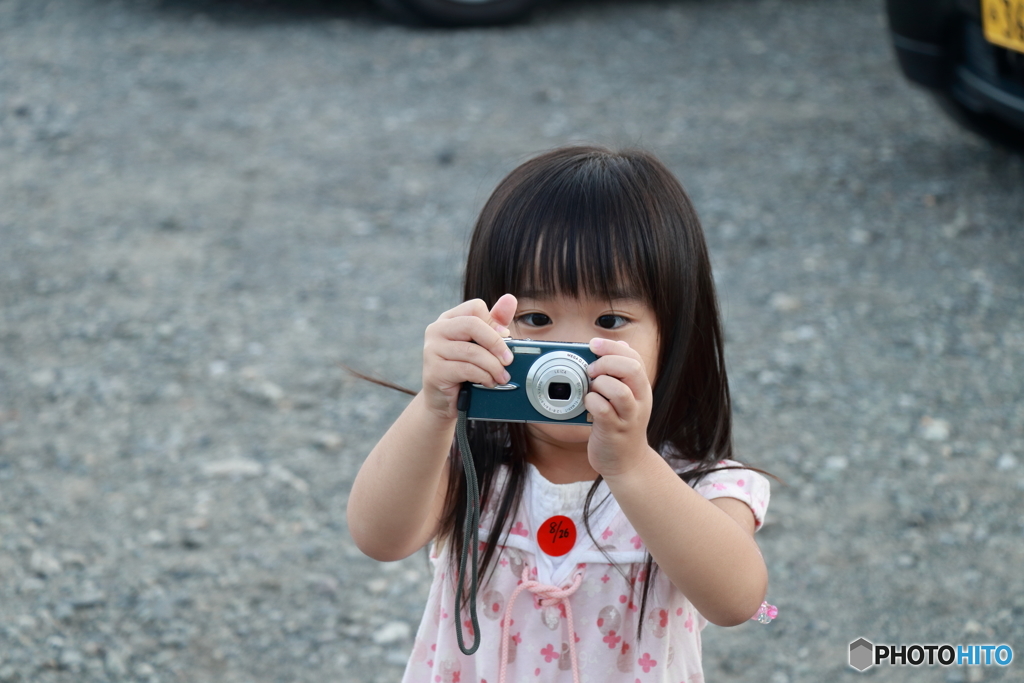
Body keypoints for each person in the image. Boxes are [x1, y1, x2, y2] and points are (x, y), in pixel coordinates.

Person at [347, 146, 775, 683]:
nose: (568, 352)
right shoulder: (473, 467)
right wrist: (436, 405)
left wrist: (631, 465)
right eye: (537, 317)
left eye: (611, 318)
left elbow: (737, 600)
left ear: (674, 336)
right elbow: (377, 537)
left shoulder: (698, 486)